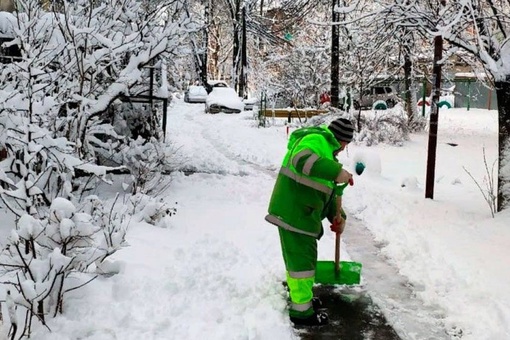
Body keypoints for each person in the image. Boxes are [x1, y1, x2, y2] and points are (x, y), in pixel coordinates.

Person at [265, 117, 354, 326]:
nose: (344, 149)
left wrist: (338, 216)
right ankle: (302, 312)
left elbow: (325, 192)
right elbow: (301, 159)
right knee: (302, 264)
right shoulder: (316, 140)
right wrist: (336, 172)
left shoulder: (326, 153)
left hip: (300, 214)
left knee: (299, 261)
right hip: (296, 214)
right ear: (341, 140)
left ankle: (301, 298)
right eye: (346, 144)